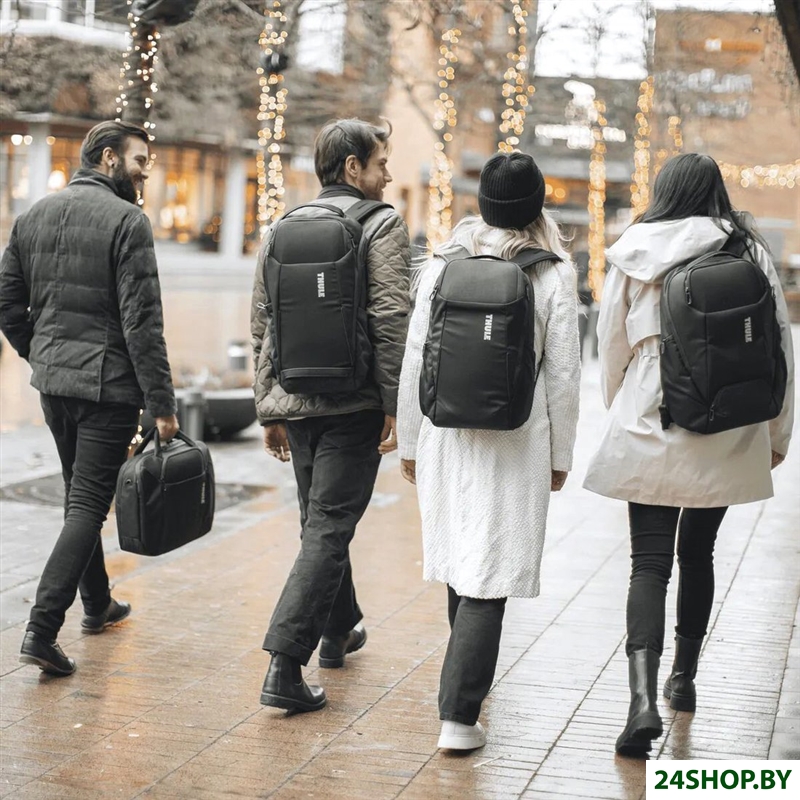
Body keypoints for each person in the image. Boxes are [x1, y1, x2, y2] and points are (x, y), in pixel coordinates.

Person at [583, 153, 795, 757]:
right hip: (726, 423)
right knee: (698, 553)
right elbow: (778, 347)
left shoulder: (634, 248)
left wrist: (621, 404)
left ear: (665, 191)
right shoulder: (746, 250)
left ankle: (640, 701)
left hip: (652, 415)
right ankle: (684, 678)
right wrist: (776, 435)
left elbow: (611, 342)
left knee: (648, 564)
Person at [396, 151, 581, 750]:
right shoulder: (551, 274)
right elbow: (563, 376)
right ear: (536, 206)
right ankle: (458, 715)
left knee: (464, 560)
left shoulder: (443, 264)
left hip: (447, 435)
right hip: (516, 438)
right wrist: (560, 454)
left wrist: (410, 439)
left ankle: (465, 684)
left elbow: (416, 358)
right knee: (488, 570)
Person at [0, 120, 179, 676]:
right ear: (107, 158)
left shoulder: (33, 215)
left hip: (56, 387)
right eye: (139, 160)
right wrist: (162, 403)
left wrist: (42, 354)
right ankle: (41, 630)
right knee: (87, 504)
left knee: (80, 495)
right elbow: (142, 321)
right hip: (107, 388)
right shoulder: (128, 221)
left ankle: (97, 603)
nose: (145, 172)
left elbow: (7, 303)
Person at [252, 118, 411, 711]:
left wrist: (268, 406)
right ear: (352, 167)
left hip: (296, 399)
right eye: (380, 163)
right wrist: (394, 403)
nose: (387, 175)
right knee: (329, 527)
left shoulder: (283, 226)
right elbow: (390, 318)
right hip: (353, 403)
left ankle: (338, 628)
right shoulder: (382, 224)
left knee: (318, 523)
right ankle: (284, 665)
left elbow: (263, 320)